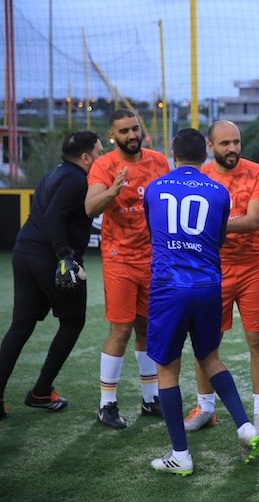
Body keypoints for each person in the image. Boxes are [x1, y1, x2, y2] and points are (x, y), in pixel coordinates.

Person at [144, 128, 259, 476]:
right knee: (209, 357)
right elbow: (219, 236)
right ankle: (245, 425)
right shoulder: (219, 191)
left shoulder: (155, 188)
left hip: (169, 287)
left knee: (167, 368)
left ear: (173, 155)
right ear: (205, 155)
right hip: (209, 285)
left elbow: (155, 232)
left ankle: (180, 455)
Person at [0, 131, 105, 419]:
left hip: (25, 252)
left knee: (21, 326)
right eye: (99, 152)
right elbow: (53, 217)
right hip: (50, 257)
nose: (103, 157)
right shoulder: (76, 180)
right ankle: (41, 391)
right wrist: (65, 255)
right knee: (73, 321)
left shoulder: (54, 173)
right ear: (85, 157)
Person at [182, 120, 259, 434]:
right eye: (225, 143)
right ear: (210, 146)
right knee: (206, 342)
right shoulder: (201, 176)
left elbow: (253, 221)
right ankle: (205, 408)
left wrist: (209, 224)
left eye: (236, 142)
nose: (233, 148)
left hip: (252, 267)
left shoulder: (258, 172)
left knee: (258, 339)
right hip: (212, 269)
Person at [85, 109, 170, 428]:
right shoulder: (104, 165)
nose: (132, 135)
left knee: (147, 329)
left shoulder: (158, 161)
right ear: (112, 135)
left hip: (154, 259)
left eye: (135, 128)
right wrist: (112, 191)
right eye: (124, 131)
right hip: (119, 259)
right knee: (120, 330)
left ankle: (150, 399)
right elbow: (90, 207)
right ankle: (107, 404)